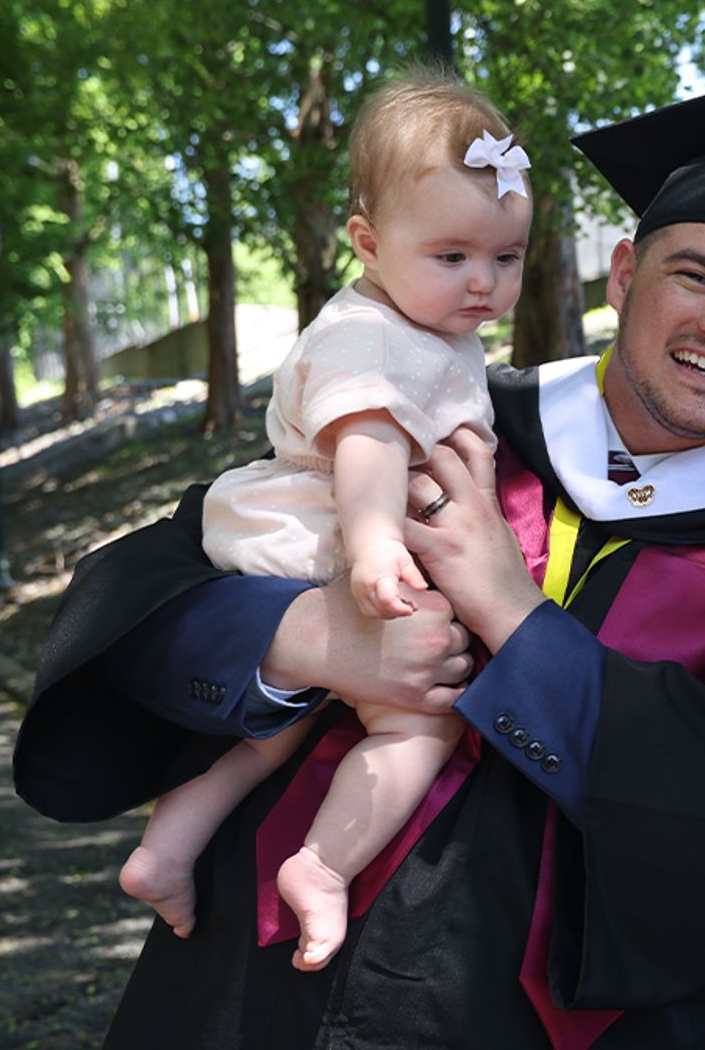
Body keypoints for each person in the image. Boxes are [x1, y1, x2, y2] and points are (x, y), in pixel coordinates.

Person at [13, 72, 705, 1049]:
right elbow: (143, 598)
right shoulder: (432, 407)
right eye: (694, 275)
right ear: (625, 272)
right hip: (243, 991)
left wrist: (519, 625)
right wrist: (302, 640)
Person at [117, 69, 533, 975]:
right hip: (325, 529)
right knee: (416, 724)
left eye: (506, 258)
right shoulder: (370, 333)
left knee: (278, 727)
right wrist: (379, 542)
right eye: (453, 255)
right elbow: (370, 445)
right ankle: (323, 864)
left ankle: (167, 848)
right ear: (369, 243)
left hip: (319, 532)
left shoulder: (430, 326)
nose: (483, 282)